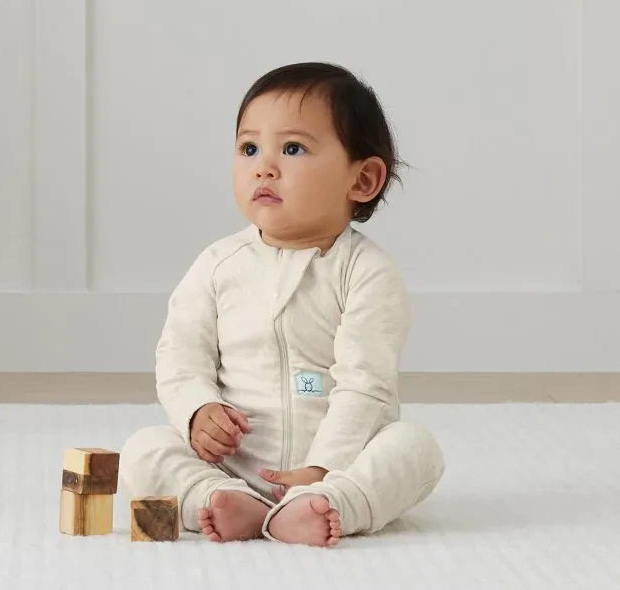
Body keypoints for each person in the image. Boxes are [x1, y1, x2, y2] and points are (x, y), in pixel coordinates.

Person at [120, 62, 445, 547]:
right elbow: (180, 356)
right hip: (230, 462)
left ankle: (331, 504)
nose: (264, 167)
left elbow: (365, 384)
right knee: (143, 449)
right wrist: (198, 410)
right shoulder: (218, 265)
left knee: (417, 449)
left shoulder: (367, 273)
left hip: (338, 465)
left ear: (362, 180)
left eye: (292, 149)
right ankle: (218, 497)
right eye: (249, 148)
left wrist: (325, 467)